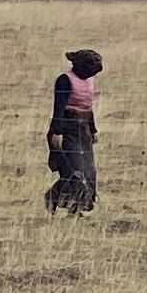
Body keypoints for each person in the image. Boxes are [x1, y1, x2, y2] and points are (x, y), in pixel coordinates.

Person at [44, 48, 101, 215]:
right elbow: (59, 109)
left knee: (88, 172)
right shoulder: (64, 80)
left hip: (83, 131)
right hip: (67, 130)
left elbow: (87, 107)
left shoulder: (89, 81)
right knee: (74, 172)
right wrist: (57, 133)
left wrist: (93, 129)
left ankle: (78, 208)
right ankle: (54, 197)